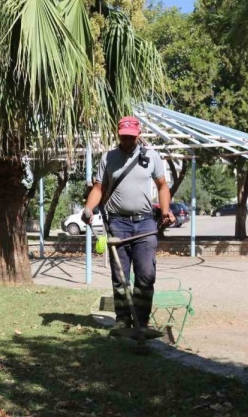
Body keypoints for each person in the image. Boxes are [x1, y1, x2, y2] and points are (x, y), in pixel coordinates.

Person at [82, 116, 175, 334]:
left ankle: (141, 322)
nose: (127, 141)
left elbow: (162, 186)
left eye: (131, 137)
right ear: (118, 134)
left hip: (145, 224)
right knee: (120, 275)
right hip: (118, 223)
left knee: (145, 275)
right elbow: (98, 188)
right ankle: (123, 321)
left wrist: (165, 210)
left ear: (138, 135)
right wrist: (88, 210)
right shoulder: (108, 158)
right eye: (124, 137)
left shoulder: (151, 157)